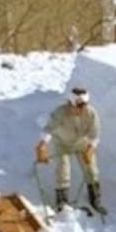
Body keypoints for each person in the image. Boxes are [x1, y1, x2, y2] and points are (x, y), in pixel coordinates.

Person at [36, 86, 103, 214]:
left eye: (84, 105)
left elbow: (95, 134)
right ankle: (62, 203)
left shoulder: (91, 113)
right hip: (63, 144)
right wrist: (42, 145)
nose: (81, 109)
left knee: (92, 170)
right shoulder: (60, 112)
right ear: (70, 102)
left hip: (82, 144)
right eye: (78, 105)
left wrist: (91, 148)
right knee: (63, 171)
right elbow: (49, 129)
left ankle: (96, 200)